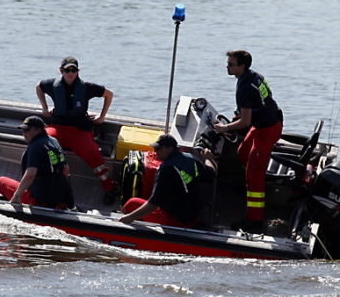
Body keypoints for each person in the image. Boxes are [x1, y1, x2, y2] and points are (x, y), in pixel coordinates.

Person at [213, 50, 283, 233]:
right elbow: (264, 99)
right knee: (242, 152)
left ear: (242, 66)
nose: (227, 67)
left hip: (267, 130)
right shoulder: (255, 76)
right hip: (263, 124)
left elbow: (245, 121)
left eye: (231, 64)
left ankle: (254, 221)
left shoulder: (245, 87)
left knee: (254, 174)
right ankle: (247, 184)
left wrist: (225, 128)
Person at [36, 56, 119, 204]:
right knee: (42, 143)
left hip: (80, 130)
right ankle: (41, 182)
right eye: (67, 70)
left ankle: (109, 187)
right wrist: (44, 107)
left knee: (92, 153)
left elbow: (109, 94)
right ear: (61, 71)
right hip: (58, 127)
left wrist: (102, 116)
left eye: (74, 70)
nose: (71, 73)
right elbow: (38, 87)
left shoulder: (87, 87)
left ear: (78, 71)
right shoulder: (51, 85)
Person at [119, 134, 217, 228]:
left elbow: (153, 205)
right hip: (194, 215)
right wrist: (208, 159)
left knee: (131, 204)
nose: (155, 151)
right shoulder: (192, 158)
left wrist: (128, 218)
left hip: (176, 220)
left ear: (169, 149)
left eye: (158, 149)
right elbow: (212, 173)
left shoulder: (167, 169)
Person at [0, 115, 73, 209]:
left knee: (0, 182)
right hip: (60, 198)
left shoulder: (35, 147)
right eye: (22, 130)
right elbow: (66, 170)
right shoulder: (53, 141)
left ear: (38, 130)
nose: (24, 133)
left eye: (27, 130)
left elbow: (30, 174)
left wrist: (16, 196)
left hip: (41, 202)